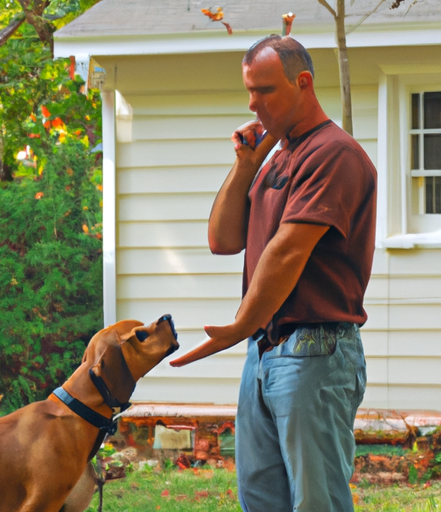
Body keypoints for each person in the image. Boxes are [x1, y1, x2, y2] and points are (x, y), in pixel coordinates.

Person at [171, 34, 377, 512]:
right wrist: (246, 165)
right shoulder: (275, 158)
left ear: (302, 82)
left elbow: (288, 251)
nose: (253, 103)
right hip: (264, 353)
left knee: (315, 502)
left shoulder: (334, 154)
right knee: (261, 499)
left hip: (315, 351)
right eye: (249, 91)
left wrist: (240, 325)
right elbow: (222, 240)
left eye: (265, 90)